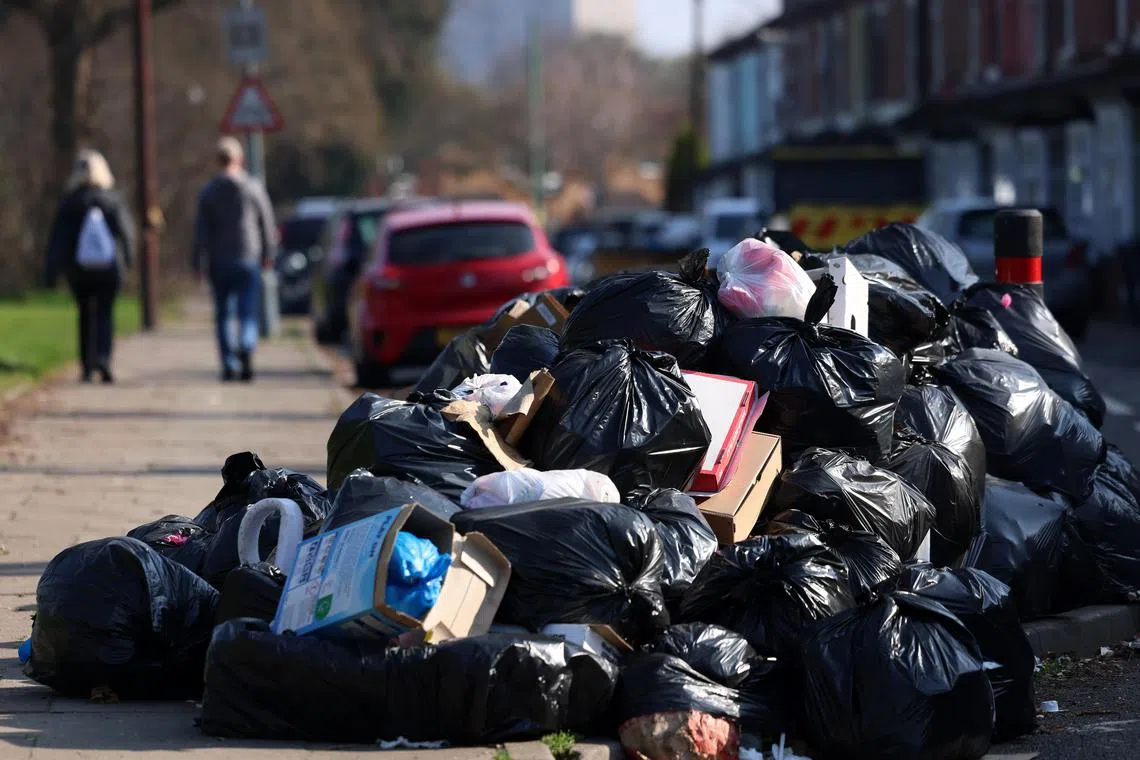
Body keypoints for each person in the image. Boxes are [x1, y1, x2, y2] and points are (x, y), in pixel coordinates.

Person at [45, 150, 136, 384]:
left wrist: (52, 271)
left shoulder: (70, 201)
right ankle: (104, 358)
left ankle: (87, 366)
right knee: (105, 314)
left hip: (79, 269)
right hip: (108, 268)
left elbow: (59, 239)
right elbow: (126, 232)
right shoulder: (112, 199)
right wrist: (128, 260)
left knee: (85, 315)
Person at [192, 137, 277, 382]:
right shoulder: (253, 187)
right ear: (239, 159)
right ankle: (247, 346)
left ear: (218, 160)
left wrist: (197, 262)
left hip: (219, 260)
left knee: (223, 314)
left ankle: (229, 364)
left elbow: (201, 231)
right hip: (248, 257)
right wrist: (269, 254)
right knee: (247, 311)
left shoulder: (208, 191)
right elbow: (267, 222)